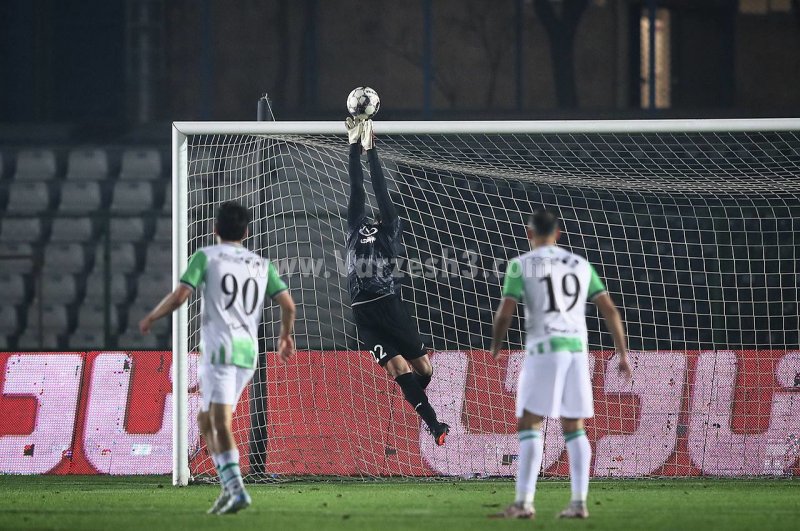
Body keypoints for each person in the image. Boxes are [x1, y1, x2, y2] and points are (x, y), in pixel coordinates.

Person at [139, 201, 295, 515]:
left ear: (215, 229)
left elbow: (180, 296)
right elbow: (288, 305)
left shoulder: (206, 256)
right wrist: (284, 336)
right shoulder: (261, 265)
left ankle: (237, 491)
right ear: (246, 232)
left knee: (220, 423)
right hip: (248, 354)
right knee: (206, 420)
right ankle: (229, 486)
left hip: (220, 353)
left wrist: (153, 316)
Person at [489, 209, 631, 520]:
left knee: (530, 423)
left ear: (529, 233)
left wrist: (496, 344)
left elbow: (505, 312)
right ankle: (579, 503)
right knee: (574, 428)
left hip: (544, 350)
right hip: (577, 354)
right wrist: (622, 353)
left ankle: (524, 503)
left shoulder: (521, 265)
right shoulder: (580, 264)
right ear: (558, 234)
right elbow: (610, 310)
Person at [344, 116, 449, 445]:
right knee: (399, 370)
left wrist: (371, 150)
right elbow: (357, 187)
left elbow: (379, 189)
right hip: (364, 312)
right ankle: (435, 425)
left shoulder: (390, 228)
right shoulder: (355, 225)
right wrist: (354, 145)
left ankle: (417, 397)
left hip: (389, 306)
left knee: (424, 371)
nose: (377, 212)